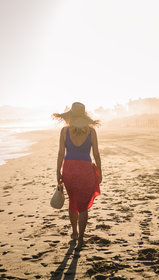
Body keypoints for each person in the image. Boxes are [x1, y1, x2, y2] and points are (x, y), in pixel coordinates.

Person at [54, 102, 102, 246]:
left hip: (69, 169)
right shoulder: (91, 131)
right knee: (83, 205)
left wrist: (58, 171)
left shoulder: (64, 131)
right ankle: (81, 238)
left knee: (72, 201)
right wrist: (100, 170)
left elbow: (61, 153)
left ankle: (74, 232)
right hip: (85, 169)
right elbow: (96, 153)